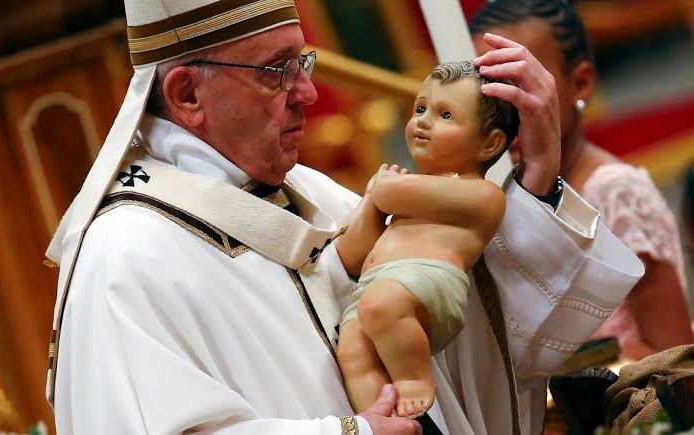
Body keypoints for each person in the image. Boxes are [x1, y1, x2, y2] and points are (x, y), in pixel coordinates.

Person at [44, 1, 644, 434]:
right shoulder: (126, 257)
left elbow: (464, 335)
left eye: (302, 63)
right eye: (278, 71)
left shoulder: (312, 193)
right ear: (186, 96)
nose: (307, 92)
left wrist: (534, 181)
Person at [470, 0, 694, 361]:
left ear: (581, 82)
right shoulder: (499, 192)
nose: (503, 108)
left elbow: (674, 357)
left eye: (521, 84)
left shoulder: (613, 191)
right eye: (488, 87)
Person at [335, 60, 518, 418]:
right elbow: (351, 255)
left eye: (445, 115)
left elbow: (389, 192)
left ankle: (414, 380)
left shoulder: (483, 195)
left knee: (380, 307)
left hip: (427, 285)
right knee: (352, 348)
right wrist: (370, 205)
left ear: (490, 143)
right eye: (420, 108)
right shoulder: (409, 192)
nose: (422, 120)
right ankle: (380, 418)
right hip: (376, 289)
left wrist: (381, 189)